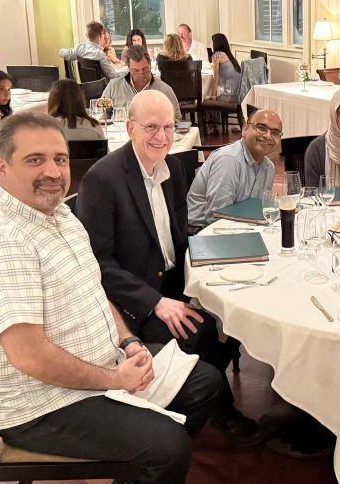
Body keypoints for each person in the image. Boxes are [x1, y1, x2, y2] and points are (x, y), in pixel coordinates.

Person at [0, 111, 223, 484]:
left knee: (205, 384)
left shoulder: (60, 216)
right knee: (168, 447)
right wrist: (116, 380)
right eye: (35, 160)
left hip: (100, 365)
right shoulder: (2, 243)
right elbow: (31, 358)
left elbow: (95, 291)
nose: (53, 171)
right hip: (42, 403)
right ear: (2, 167)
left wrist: (128, 342)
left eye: (60, 159)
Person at [77, 90, 265, 447]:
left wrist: (216, 265)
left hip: (173, 282)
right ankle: (215, 410)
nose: (161, 136)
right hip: (131, 301)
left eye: (167, 127)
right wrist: (155, 302)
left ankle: (205, 393)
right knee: (201, 331)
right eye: (151, 127)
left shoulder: (174, 169)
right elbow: (97, 264)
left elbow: (179, 238)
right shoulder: (103, 179)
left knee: (235, 317)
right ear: (130, 128)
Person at [188, 110, 283, 227]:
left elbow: (258, 208)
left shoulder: (269, 167)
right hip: (202, 230)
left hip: (242, 226)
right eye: (261, 128)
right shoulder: (228, 160)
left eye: (275, 133)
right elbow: (217, 216)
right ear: (245, 129)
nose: (268, 136)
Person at [102, 45, 181, 121]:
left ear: (150, 65)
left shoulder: (164, 90)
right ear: (128, 68)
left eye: (145, 69)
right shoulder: (114, 87)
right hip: (120, 129)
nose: (141, 74)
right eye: (136, 70)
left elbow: (177, 118)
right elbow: (101, 114)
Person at [59, 21, 127, 81]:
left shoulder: (81, 48)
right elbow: (112, 75)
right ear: (99, 36)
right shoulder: (100, 54)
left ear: (88, 35)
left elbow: (62, 53)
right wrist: (128, 69)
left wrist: (62, 50)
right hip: (102, 88)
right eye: (103, 34)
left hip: (86, 86)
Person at [209, 33, 241, 100]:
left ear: (216, 44)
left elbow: (215, 80)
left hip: (229, 96)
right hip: (239, 96)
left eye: (212, 42)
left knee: (207, 99)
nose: (210, 45)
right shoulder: (228, 55)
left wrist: (213, 97)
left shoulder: (217, 55)